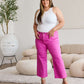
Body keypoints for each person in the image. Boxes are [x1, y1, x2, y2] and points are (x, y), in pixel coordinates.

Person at [33, 0, 68, 84]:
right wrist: (35, 32)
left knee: (57, 57)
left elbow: (62, 22)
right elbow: (35, 24)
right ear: (41, 1)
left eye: (47, 0)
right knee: (41, 58)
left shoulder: (55, 9)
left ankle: (64, 79)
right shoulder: (38, 11)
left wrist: (53, 29)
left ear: (50, 1)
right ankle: (43, 80)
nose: (45, 1)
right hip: (39, 38)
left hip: (51, 37)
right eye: (43, 0)